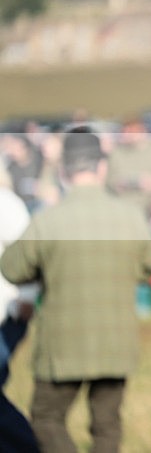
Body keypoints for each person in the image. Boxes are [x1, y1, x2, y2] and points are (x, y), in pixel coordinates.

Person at [0, 128, 151, 453]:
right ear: (101, 167)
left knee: (46, 418)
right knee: (107, 424)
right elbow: (147, 268)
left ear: (63, 171)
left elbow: (12, 268)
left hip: (62, 346)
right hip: (116, 342)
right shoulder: (131, 218)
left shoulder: (47, 220)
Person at [0, 163, 39, 452]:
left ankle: (30, 446)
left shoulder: (6, 205)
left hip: (7, 315)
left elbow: (28, 254)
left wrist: (26, 297)